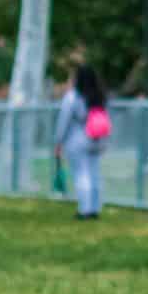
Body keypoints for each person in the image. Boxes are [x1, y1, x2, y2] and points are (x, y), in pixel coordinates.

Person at [53, 64, 108, 220]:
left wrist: (58, 142)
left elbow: (64, 121)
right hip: (97, 139)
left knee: (81, 174)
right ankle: (95, 208)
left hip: (78, 139)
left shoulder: (73, 97)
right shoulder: (100, 96)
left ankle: (85, 209)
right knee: (95, 174)